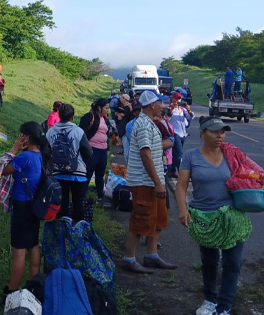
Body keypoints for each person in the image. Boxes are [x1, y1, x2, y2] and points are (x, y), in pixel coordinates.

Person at [176, 116, 264, 315]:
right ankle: (210, 299)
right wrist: (183, 209)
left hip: (232, 216)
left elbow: (254, 170)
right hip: (205, 218)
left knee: (232, 263)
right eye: (214, 131)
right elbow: (181, 185)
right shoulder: (191, 156)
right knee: (209, 261)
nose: (220, 135)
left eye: (222, 131)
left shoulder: (232, 153)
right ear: (202, 133)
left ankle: (223, 311)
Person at [121, 91, 177, 273]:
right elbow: (145, 155)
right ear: (152, 105)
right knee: (140, 220)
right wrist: (157, 183)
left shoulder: (151, 124)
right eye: (161, 103)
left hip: (153, 181)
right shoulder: (144, 125)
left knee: (158, 219)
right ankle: (129, 258)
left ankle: (151, 256)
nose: (163, 107)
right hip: (145, 182)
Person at [0, 122, 47, 299]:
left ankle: (11, 292)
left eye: (20, 135)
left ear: (25, 138)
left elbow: (1, 170)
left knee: (18, 251)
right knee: (33, 245)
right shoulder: (40, 155)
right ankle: (33, 287)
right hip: (34, 207)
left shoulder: (24, 157)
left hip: (21, 208)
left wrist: (14, 148)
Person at [45, 103, 92, 222]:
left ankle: (62, 228)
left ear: (59, 116)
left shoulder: (50, 132)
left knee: (62, 202)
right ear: (72, 117)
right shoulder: (78, 131)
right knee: (77, 202)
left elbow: (46, 153)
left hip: (58, 172)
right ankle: (77, 230)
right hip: (77, 173)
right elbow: (88, 152)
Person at [79, 98, 111, 205]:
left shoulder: (105, 120)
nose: (108, 111)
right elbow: (81, 132)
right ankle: (81, 197)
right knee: (87, 174)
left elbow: (106, 136)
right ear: (99, 108)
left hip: (103, 150)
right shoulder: (89, 117)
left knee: (100, 175)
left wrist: (108, 149)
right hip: (92, 150)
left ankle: (101, 197)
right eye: (106, 108)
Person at [167, 91, 194, 178]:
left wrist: (189, 110)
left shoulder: (183, 109)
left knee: (176, 153)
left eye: (179, 98)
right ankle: (182, 173)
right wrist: (172, 108)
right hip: (175, 133)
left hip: (183, 133)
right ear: (173, 99)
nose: (178, 100)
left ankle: (172, 169)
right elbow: (167, 117)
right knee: (180, 154)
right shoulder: (170, 108)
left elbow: (190, 117)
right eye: (176, 98)